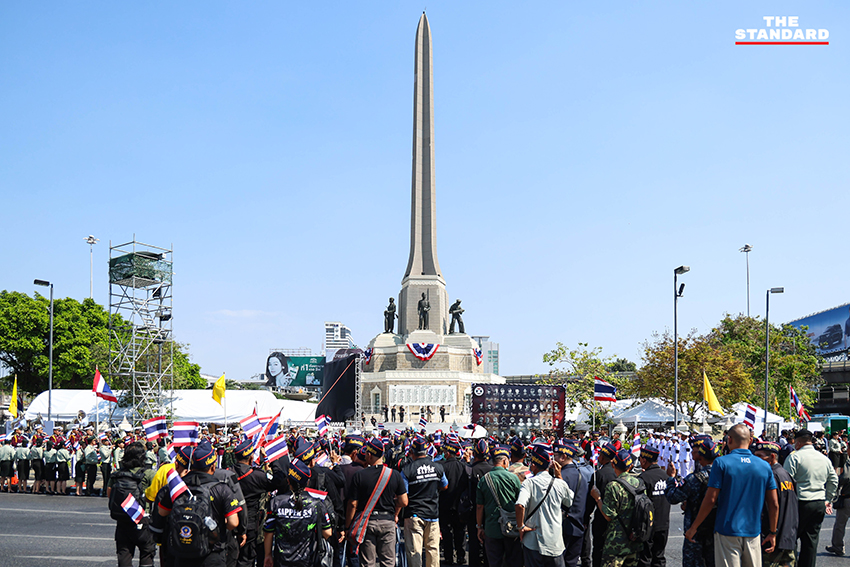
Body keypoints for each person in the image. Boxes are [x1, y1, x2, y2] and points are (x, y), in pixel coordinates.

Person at [685, 425, 778, 567]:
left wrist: (694, 527)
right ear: (751, 440)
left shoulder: (722, 462)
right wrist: (772, 532)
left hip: (727, 529)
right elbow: (773, 504)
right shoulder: (764, 466)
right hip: (753, 530)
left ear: (729, 440)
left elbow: (710, 499)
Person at [156, 439, 242, 567]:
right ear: (213, 466)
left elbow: (162, 512)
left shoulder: (178, 486)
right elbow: (233, 522)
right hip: (213, 552)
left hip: (182, 550)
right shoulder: (221, 489)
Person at [346, 437, 408, 567]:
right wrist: (393, 505)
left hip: (367, 522)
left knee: (368, 563)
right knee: (388, 562)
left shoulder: (360, 475)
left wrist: (348, 526)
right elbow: (404, 501)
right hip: (387, 520)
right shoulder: (394, 474)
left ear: (369, 454)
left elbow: (353, 504)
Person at [783, 429, 838, 567]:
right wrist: (828, 499)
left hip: (799, 502)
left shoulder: (795, 457)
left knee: (791, 539)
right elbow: (833, 480)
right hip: (818, 501)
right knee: (811, 542)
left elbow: (785, 481)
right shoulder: (824, 458)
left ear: (798, 442)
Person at [263, 459, 332, 567]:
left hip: (282, 561)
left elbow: (268, 532)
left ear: (288, 481)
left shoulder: (276, 502)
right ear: (307, 482)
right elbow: (327, 533)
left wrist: (267, 555)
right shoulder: (317, 504)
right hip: (308, 561)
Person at [231, 438, 288, 567]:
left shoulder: (227, 473)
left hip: (231, 521)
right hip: (251, 524)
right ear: (251, 457)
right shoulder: (256, 476)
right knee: (248, 558)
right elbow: (279, 480)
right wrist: (271, 460)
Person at [516, 444, 574, 567]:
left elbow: (520, 505)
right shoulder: (560, 483)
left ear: (533, 465)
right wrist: (559, 477)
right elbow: (569, 502)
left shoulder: (529, 483)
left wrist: (520, 527)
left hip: (533, 542)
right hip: (554, 543)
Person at [665, 438, 718, 567]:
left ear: (700, 457)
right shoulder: (726, 475)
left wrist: (671, 478)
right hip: (718, 532)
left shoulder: (695, 479)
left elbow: (672, 497)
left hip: (695, 533)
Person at [589, 450, 643, 567]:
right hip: (634, 539)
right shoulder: (638, 483)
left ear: (613, 464)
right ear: (631, 466)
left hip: (616, 542)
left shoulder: (613, 486)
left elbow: (608, 515)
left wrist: (598, 498)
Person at [107, 441, 156, 567]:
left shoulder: (117, 474)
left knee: (124, 553)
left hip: (122, 519)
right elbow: (156, 495)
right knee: (146, 552)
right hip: (142, 518)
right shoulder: (149, 474)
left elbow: (110, 494)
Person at [401, 436, 447, 567]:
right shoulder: (437, 467)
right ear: (427, 451)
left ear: (412, 453)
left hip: (414, 515)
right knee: (433, 550)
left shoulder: (407, 470)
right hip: (433, 514)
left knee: (415, 551)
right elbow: (445, 485)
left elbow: (404, 493)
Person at [752, 441, 798, 567]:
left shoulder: (771, 475)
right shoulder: (786, 474)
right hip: (788, 535)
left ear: (772, 457)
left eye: (759, 456)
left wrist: (771, 532)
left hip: (773, 537)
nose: (755, 460)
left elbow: (771, 506)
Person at [476, 444, 522, 567]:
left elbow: (479, 506)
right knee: (513, 561)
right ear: (505, 461)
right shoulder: (513, 478)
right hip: (512, 527)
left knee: (494, 561)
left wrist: (479, 526)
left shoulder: (484, 479)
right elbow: (520, 503)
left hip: (491, 528)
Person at [554, 440, 589, 567]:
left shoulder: (559, 476)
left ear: (563, 457)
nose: (554, 458)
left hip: (562, 528)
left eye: (556, 455)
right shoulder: (582, 474)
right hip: (578, 526)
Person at [637, 447, 671, 567]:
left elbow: (639, 505)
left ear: (644, 460)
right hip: (663, 524)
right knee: (659, 557)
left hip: (648, 526)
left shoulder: (643, 478)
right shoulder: (666, 477)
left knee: (645, 558)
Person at [440, 438, 470, 566]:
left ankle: (448, 557)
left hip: (445, 505)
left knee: (447, 533)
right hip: (460, 506)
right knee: (460, 532)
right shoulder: (463, 467)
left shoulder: (442, 466)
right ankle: (461, 556)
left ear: (448, 453)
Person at [589, 443, 619, 567]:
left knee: (599, 549)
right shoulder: (617, 473)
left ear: (601, 457)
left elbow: (591, 499)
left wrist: (586, 517)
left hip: (602, 517)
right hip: (618, 520)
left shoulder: (598, 475)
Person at [469, 439, 494, 567]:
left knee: (474, 542)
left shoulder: (469, 470)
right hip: (490, 511)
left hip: (473, 510)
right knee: (489, 544)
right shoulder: (493, 470)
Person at [828, 440, 850, 556]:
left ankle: (838, 546)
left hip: (848, 497)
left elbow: (846, 477)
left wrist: (839, 483)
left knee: (840, 525)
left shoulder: (849, 462)